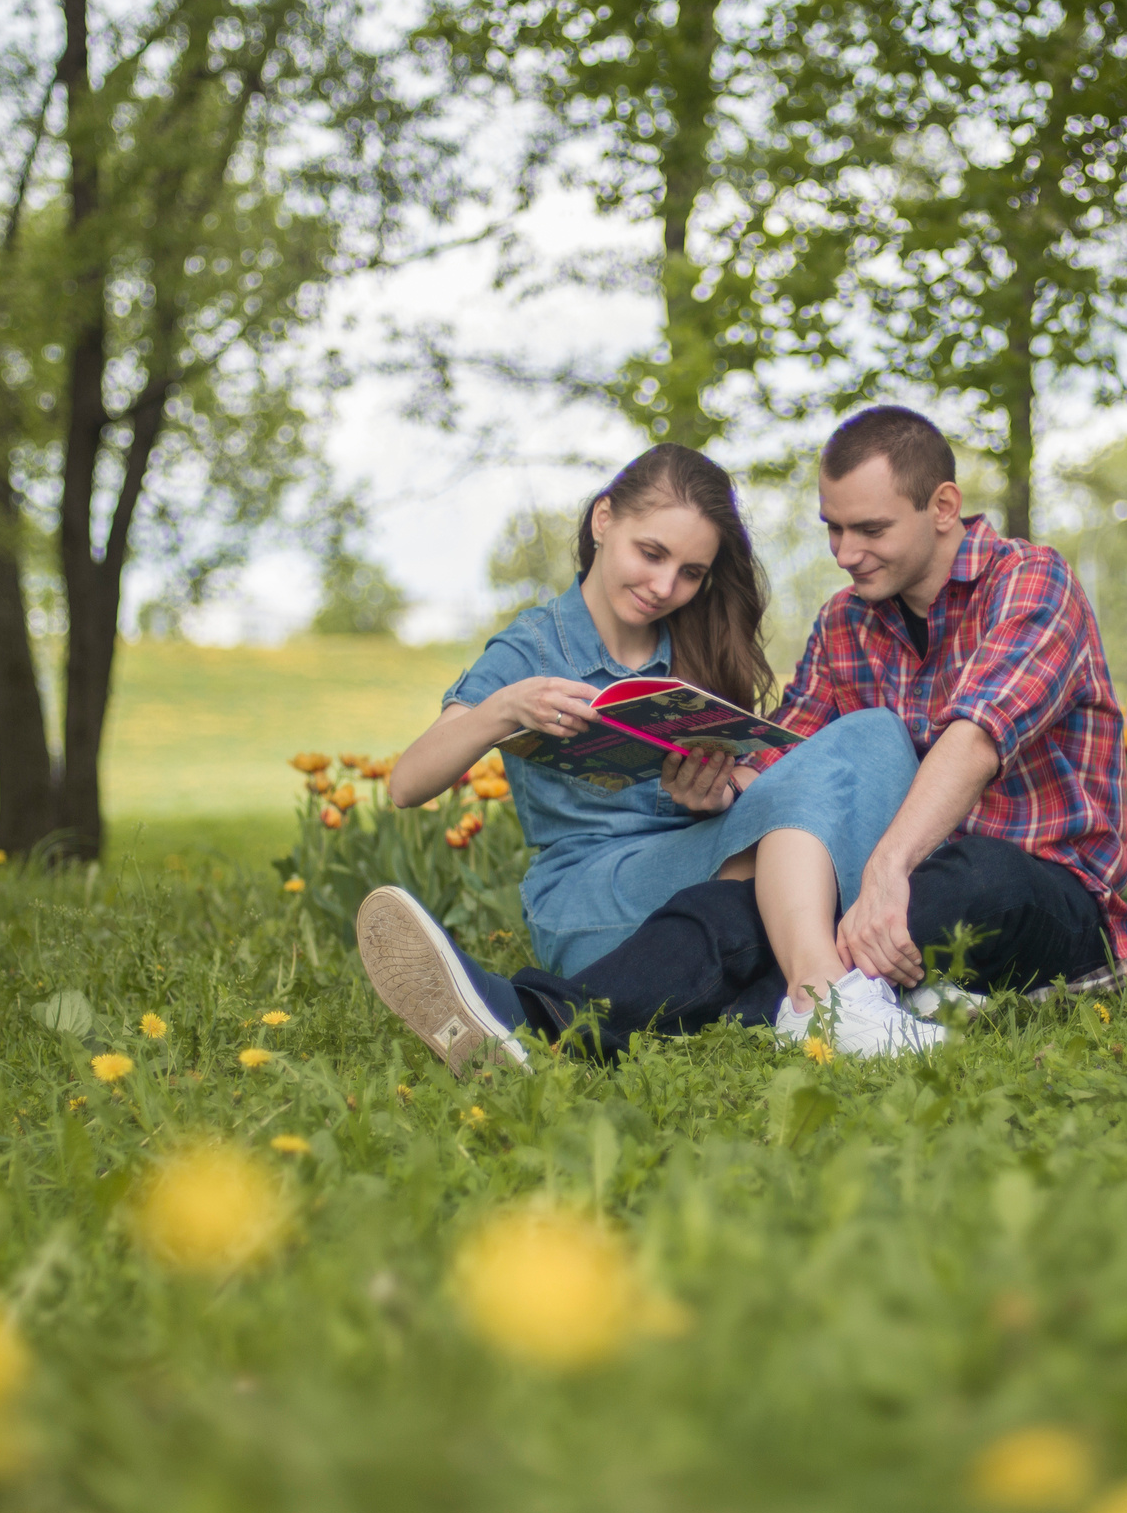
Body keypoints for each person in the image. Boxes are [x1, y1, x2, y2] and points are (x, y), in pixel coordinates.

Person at [364, 407, 1127, 1065]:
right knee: (794, 855)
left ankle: (549, 1018)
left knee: (929, 863)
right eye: (832, 529)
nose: (843, 553)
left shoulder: (1029, 581)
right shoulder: (847, 622)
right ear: (602, 522)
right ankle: (825, 999)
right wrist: (728, 785)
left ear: (943, 508)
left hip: (1023, 885)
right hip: (838, 898)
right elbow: (788, 765)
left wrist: (883, 868)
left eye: (868, 530)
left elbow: (977, 737)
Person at [361, 443, 943, 1078]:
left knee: (876, 736)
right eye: (652, 554)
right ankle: (825, 998)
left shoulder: (696, 641)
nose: (666, 588)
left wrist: (719, 794)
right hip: (592, 895)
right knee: (778, 896)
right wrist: (502, 710)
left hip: (700, 874)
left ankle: (803, 994)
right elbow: (406, 784)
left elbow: (753, 795)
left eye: (691, 572)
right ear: (603, 520)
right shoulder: (531, 647)